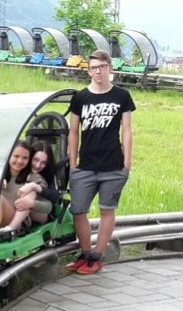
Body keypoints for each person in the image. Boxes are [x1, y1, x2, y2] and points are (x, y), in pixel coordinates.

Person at [66, 49, 135, 275]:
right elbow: (73, 131)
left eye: (102, 67)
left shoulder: (122, 96)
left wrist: (127, 162)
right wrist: (72, 162)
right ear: (88, 71)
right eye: (94, 68)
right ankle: (85, 253)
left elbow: (127, 130)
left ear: (109, 68)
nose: (98, 72)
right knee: (78, 210)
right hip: (85, 165)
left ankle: (98, 255)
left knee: (107, 209)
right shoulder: (80, 98)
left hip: (113, 165)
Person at [0, 141, 49, 238]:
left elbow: (48, 207)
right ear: (9, 156)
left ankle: (5, 230)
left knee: (31, 189)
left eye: (25, 158)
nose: (20, 161)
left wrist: (31, 203)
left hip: (15, 219)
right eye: (16, 156)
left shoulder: (34, 178)